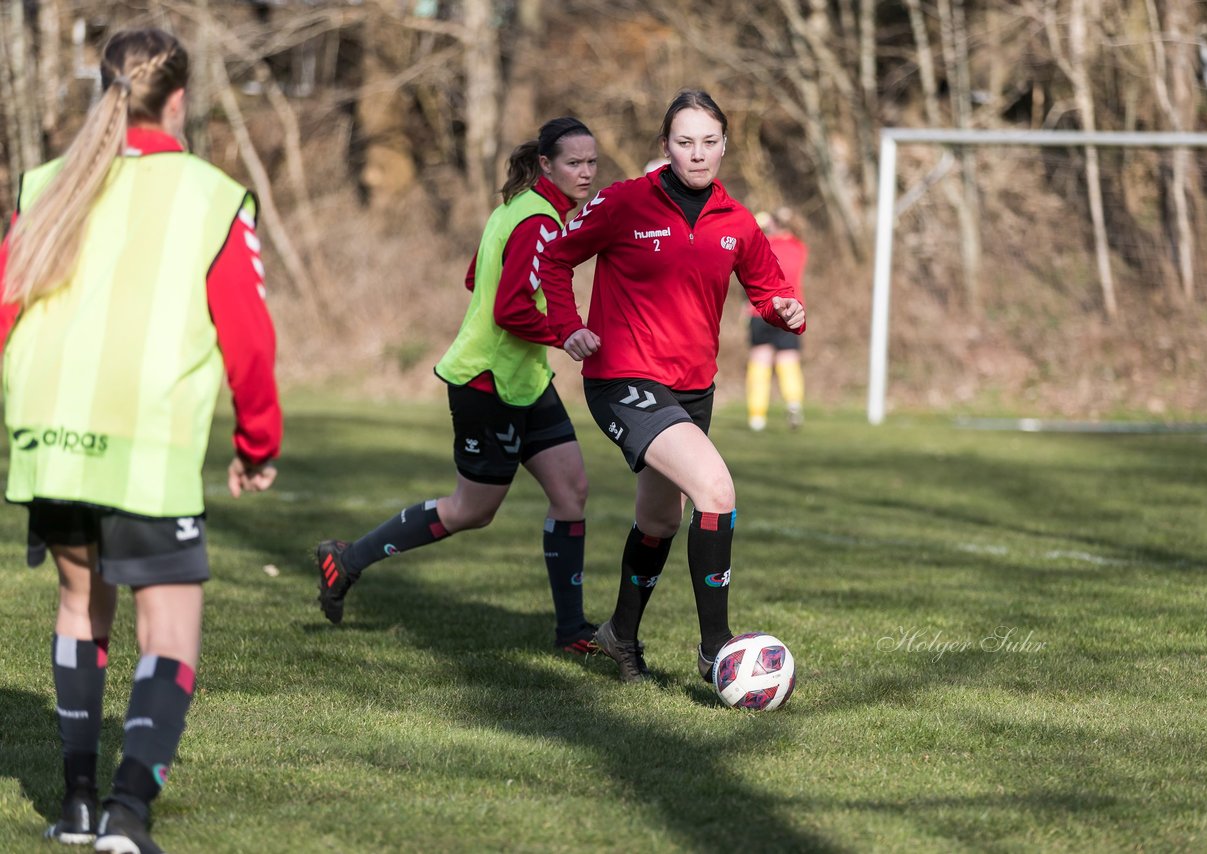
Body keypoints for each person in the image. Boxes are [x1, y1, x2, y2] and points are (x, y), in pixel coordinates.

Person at [0, 29, 282, 854]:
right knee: (170, 633)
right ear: (181, 100)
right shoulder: (211, 193)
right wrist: (258, 442)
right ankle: (127, 815)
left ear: (104, 88)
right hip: (145, 442)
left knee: (81, 605)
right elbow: (250, 340)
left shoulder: (47, 183)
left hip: (50, 437)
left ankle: (77, 805)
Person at [539, 89, 806, 683]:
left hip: (692, 389)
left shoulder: (737, 221)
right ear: (666, 146)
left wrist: (782, 307)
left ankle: (619, 636)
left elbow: (767, 287)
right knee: (716, 489)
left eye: (709, 142)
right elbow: (555, 261)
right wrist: (569, 328)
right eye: (685, 142)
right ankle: (718, 650)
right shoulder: (623, 202)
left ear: (724, 146)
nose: (698, 154)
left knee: (659, 521)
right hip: (623, 379)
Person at [315, 117, 601, 655]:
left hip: (525, 379)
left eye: (591, 163)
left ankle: (571, 633)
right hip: (486, 382)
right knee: (473, 510)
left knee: (572, 492)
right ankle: (345, 559)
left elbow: (475, 275)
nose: (586, 173)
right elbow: (508, 305)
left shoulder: (516, 210)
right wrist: (566, 334)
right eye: (574, 163)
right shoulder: (536, 220)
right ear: (546, 165)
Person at [746, 208, 809, 431]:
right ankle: (793, 404)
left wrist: (761, 226)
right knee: (788, 360)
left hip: (761, 310)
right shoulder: (800, 248)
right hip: (791, 309)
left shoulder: (765, 244)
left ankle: (757, 417)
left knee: (760, 360)